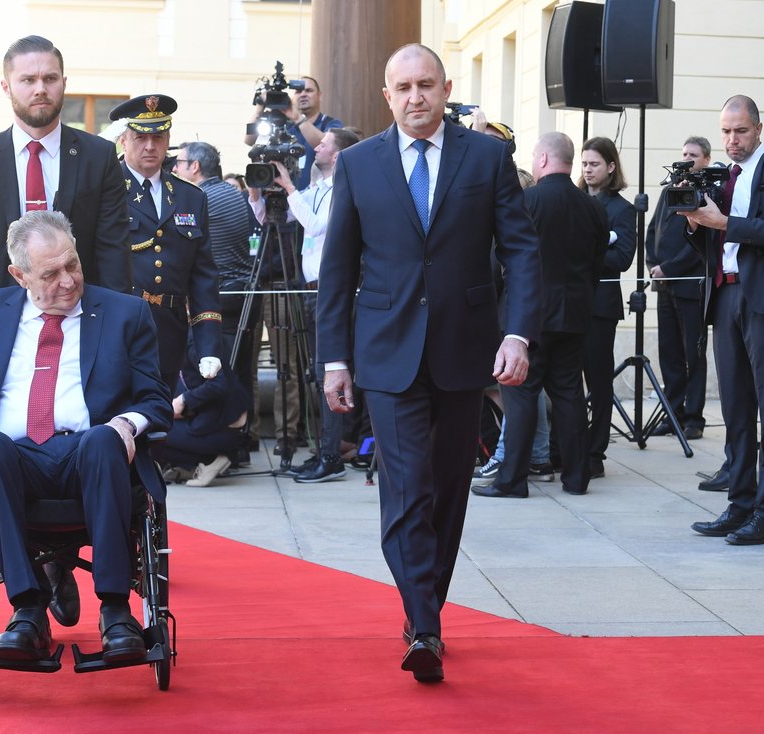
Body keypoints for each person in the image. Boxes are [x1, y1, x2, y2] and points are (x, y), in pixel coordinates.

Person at [316, 44, 541, 682]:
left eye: (426, 85)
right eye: (402, 88)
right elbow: (337, 271)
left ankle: (424, 610)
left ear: (445, 89)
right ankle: (427, 627)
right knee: (407, 488)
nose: (416, 98)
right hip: (385, 353)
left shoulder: (488, 156)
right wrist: (334, 359)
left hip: (465, 350)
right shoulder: (358, 165)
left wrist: (518, 335)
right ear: (387, 96)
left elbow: (521, 253)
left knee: (448, 492)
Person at [0, 210, 172, 663]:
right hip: (14, 459)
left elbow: (156, 400)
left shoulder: (125, 313)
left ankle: (116, 609)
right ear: (19, 275)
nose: (68, 281)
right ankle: (28, 609)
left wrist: (127, 423)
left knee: (106, 438)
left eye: (73, 265)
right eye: (51, 273)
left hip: (92, 455)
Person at [0, 35, 131, 331]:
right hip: (1, 326)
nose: (41, 89)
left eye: (50, 78)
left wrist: (111, 329)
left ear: (64, 83)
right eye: (28, 80)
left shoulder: (99, 156)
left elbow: (113, 250)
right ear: (6, 87)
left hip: (84, 323)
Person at [684, 95, 764, 545]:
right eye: (726, 132)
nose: (733, 141)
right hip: (725, 294)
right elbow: (714, 241)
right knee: (735, 408)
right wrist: (696, 226)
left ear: (757, 129)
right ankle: (739, 504)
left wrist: (723, 224)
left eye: (740, 131)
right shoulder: (723, 176)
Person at [475, 132, 609, 499]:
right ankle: (576, 477)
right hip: (576, 315)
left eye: (536, 157)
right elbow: (599, 263)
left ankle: (513, 480)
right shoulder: (594, 207)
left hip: (528, 318)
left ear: (545, 160)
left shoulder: (526, 202)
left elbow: (502, 260)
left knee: (519, 397)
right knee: (569, 396)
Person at [251, 128, 362, 482]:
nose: (318, 146)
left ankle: (331, 455)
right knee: (317, 374)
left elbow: (315, 227)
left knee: (327, 372)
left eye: (325, 143)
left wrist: (289, 188)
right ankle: (325, 452)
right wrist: (258, 193)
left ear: (339, 155)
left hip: (330, 290)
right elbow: (277, 220)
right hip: (310, 289)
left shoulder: (344, 189)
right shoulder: (316, 189)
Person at [109, 95, 223, 392]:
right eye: (140, 137)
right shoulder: (105, 190)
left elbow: (203, 276)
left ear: (168, 139)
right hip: (118, 326)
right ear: (124, 140)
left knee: (159, 421)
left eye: (157, 137)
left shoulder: (190, 197)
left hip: (170, 329)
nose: (150, 146)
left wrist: (208, 343)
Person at [174, 142, 258, 414]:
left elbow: (186, 251)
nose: (174, 168)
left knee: (218, 375)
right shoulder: (234, 193)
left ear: (195, 167)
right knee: (243, 371)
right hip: (243, 294)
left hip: (220, 297)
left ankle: (224, 442)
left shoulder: (201, 199)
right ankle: (243, 441)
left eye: (180, 162)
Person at [578, 137, 636, 478]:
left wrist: (583, 254)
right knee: (567, 380)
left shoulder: (621, 209)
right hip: (568, 303)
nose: (587, 170)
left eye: (594, 164)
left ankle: (595, 451)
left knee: (598, 381)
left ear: (611, 167)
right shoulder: (572, 199)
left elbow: (623, 258)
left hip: (600, 306)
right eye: (584, 163)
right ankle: (567, 445)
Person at [646, 137, 711, 440]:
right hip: (664, 286)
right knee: (669, 353)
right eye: (683, 153)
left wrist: (669, 268)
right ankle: (673, 412)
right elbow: (652, 231)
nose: (686, 158)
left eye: (693, 155)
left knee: (693, 354)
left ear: (706, 160)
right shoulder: (668, 192)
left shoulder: (707, 194)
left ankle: (694, 419)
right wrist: (652, 264)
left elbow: (699, 244)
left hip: (689, 286)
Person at [157, 338, 252, 487]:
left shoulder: (194, 343)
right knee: (154, 428)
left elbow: (219, 383)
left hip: (226, 427)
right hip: (209, 421)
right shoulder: (179, 342)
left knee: (150, 435)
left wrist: (183, 400)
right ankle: (191, 465)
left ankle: (211, 460)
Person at [244, 75, 344, 191]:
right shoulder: (284, 124)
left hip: (315, 194)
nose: (303, 94)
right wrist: (259, 109)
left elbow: (323, 144)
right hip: (282, 193)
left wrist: (297, 118)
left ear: (319, 95)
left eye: (309, 90)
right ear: (293, 97)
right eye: (298, 91)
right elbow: (249, 140)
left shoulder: (330, 123)